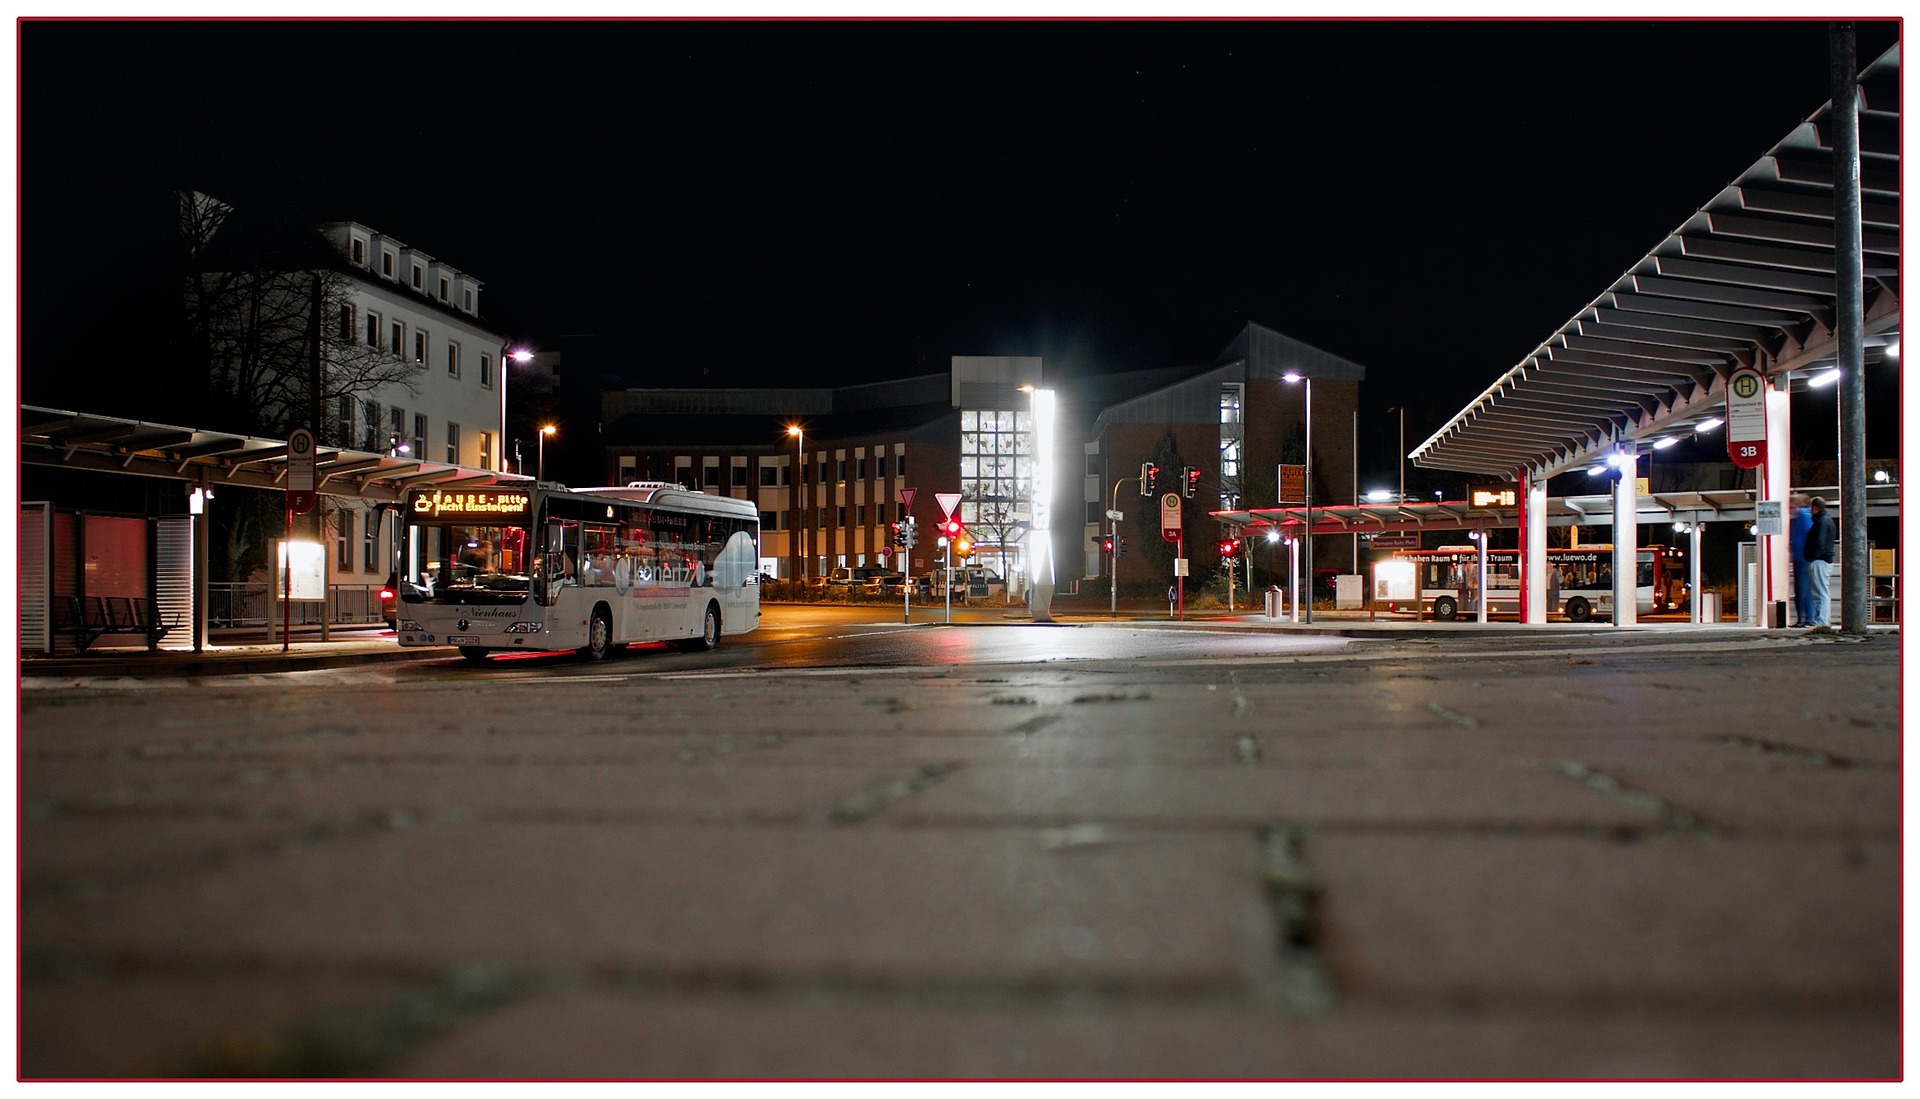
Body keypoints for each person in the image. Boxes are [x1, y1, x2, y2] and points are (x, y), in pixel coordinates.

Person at [1804, 496, 1836, 628]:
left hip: (1819, 561)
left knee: (1820, 592)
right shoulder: (1827, 521)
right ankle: (1821, 620)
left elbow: (1819, 542)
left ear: (1814, 508)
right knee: (1820, 591)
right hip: (1823, 560)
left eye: (1810, 508)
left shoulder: (1821, 522)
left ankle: (1822, 620)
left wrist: (1812, 556)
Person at [1788, 493, 1813, 626]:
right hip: (1800, 556)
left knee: (1801, 589)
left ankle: (1803, 618)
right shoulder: (1802, 517)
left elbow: (1808, 534)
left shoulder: (1802, 517)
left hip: (1802, 557)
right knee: (1803, 589)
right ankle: (1806, 617)